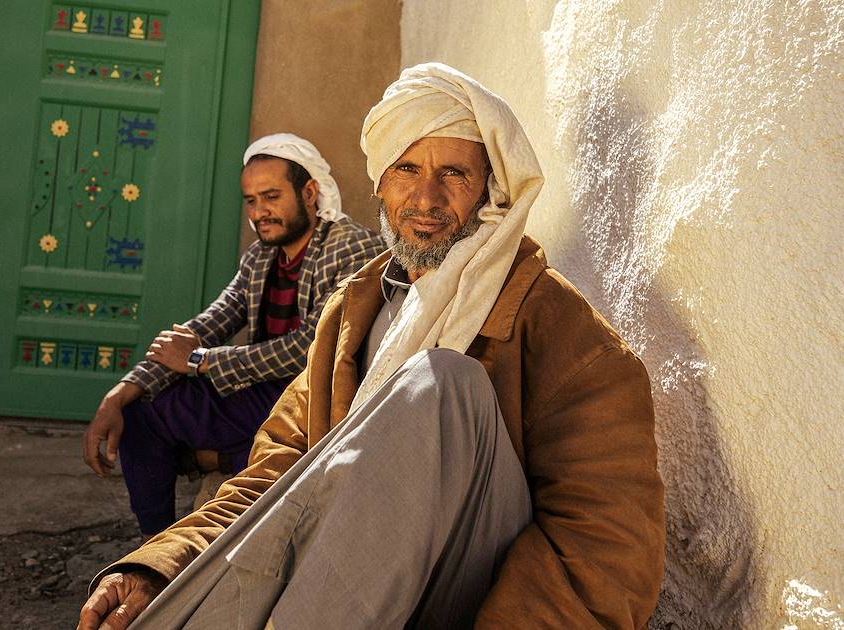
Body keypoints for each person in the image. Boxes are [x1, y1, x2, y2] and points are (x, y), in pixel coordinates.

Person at [78, 64, 664, 629]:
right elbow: (276, 473)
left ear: (490, 185)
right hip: (352, 574)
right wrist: (160, 567)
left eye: (455, 173)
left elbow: (603, 547)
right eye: (407, 169)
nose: (427, 198)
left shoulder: (563, 329)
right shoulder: (355, 310)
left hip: (467, 587)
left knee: (442, 383)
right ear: (381, 183)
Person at [82, 133, 385, 537]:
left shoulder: (350, 247)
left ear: (310, 192)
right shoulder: (261, 256)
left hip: (316, 400)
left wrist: (200, 361)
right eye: (251, 200)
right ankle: (154, 545)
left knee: (296, 456)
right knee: (141, 414)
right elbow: (210, 323)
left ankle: (223, 457)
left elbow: (313, 345)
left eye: (272, 196)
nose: (260, 212)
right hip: (260, 392)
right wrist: (121, 392)